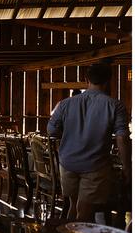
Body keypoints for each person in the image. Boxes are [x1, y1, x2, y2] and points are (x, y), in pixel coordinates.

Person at [48, 63, 130, 221]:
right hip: (95, 166)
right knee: (85, 212)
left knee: (73, 205)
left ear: (86, 79)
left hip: (68, 163)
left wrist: (70, 133)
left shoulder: (66, 104)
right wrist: (126, 166)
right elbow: (122, 137)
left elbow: (51, 130)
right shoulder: (115, 105)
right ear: (108, 80)